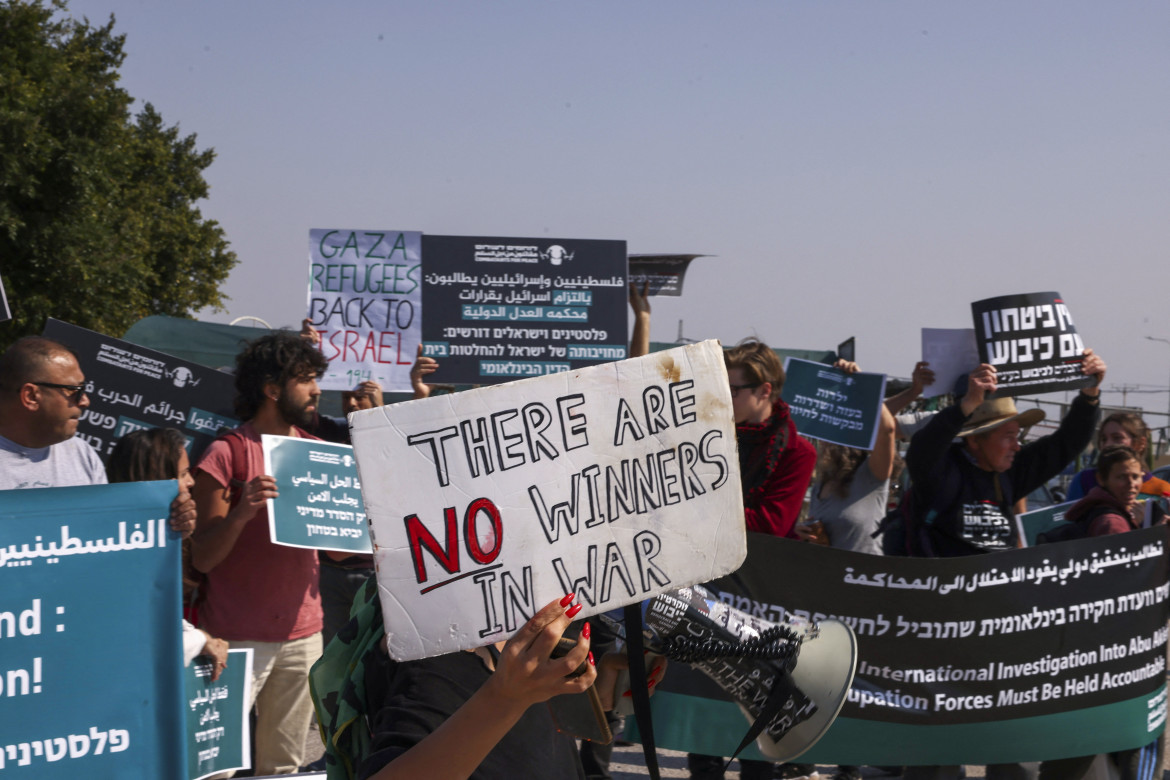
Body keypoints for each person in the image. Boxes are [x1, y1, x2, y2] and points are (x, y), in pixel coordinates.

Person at [903, 350, 1105, 780]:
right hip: (942, 635)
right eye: (1008, 435)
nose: (1018, 444)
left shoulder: (1009, 471)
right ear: (975, 439)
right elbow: (922, 449)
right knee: (936, 753)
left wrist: (1089, 393)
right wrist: (965, 406)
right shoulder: (942, 473)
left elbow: (1066, 444)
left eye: (1019, 435)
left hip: (997, 634)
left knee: (1010, 743)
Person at [190, 330, 329, 775]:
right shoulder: (225, 454)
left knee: (283, 767)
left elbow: (343, 555)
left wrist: (357, 519)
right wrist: (240, 514)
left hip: (303, 638)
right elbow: (202, 558)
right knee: (212, 766)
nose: (317, 390)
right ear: (272, 389)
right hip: (231, 641)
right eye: (305, 379)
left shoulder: (318, 454)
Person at [687, 339, 818, 780]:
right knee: (700, 735)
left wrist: (699, 505)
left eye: (734, 388)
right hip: (701, 595)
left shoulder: (798, 453)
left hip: (753, 606)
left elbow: (768, 523)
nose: (724, 396)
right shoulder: (707, 435)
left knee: (752, 736)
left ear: (764, 391)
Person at [1036, 446, 1164, 780]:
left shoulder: (1108, 513)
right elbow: (1125, 584)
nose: (1132, 483)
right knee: (1137, 732)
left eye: (1136, 476)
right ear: (1104, 479)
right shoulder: (1110, 522)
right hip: (1117, 649)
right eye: (1122, 476)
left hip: (1093, 647)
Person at [0, 335, 197, 537]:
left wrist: (170, 527)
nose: (85, 401)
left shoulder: (82, 454)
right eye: (75, 391)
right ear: (31, 396)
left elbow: (106, 535)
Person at [107, 427, 230, 679]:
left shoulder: (157, 539)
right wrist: (198, 639)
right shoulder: (117, 553)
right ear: (157, 478)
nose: (191, 482)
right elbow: (144, 643)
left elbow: (163, 613)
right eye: (183, 473)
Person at [1066, 412, 1170, 500]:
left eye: (1117, 438)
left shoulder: (1162, 491)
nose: (1107, 444)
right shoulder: (1084, 480)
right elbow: (1068, 521)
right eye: (1104, 439)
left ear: (1140, 443)